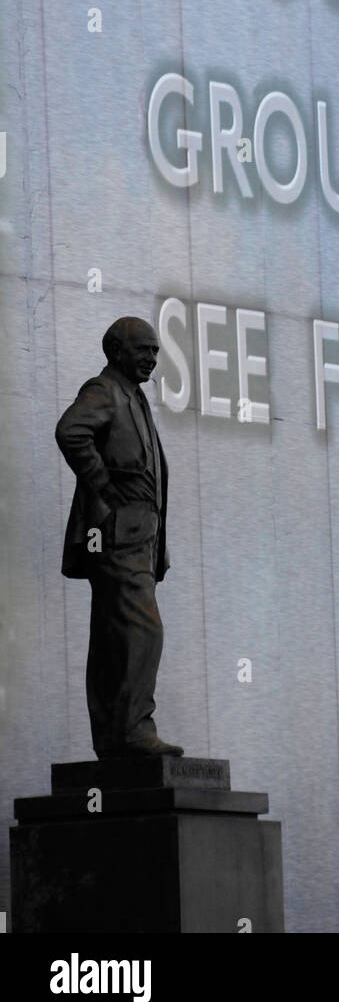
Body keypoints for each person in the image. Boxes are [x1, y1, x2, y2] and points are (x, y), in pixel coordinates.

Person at [55, 316, 183, 758]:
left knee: (115, 637)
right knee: (143, 631)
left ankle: (114, 740)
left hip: (139, 538)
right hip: (115, 535)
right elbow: (71, 431)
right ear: (116, 352)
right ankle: (133, 730)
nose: (151, 358)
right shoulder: (105, 389)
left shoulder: (136, 398)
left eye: (155, 352)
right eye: (143, 350)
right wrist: (104, 489)